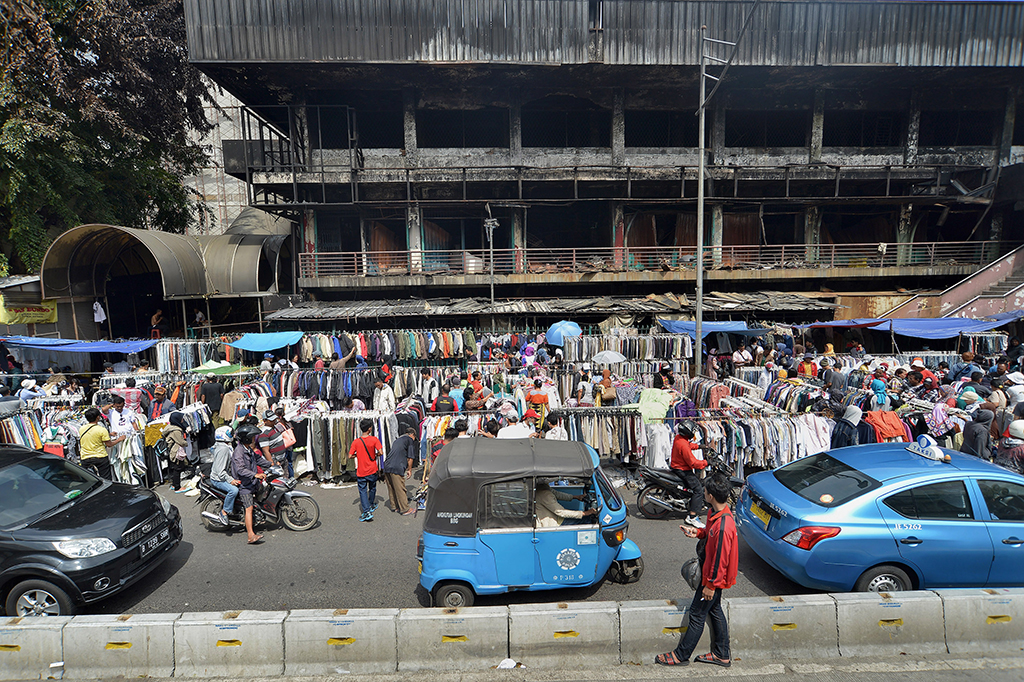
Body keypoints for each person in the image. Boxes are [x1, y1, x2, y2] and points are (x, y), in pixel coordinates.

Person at [656, 473, 737, 668]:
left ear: (710, 496)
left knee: (697, 614)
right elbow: (709, 535)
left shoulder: (723, 526)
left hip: (712, 577)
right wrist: (698, 532)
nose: (703, 493)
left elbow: (720, 560)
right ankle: (722, 654)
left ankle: (681, 655)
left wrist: (710, 585)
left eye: (705, 491)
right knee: (715, 610)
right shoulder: (715, 513)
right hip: (711, 574)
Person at [230, 423, 272, 544]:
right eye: (252, 437)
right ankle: (250, 535)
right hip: (244, 485)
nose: (254, 439)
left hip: (252, 482)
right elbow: (240, 469)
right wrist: (255, 475)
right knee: (249, 508)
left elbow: (257, 459)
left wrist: (271, 464)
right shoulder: (239, 452)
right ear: (247, 438)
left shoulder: (248, 449)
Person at [670, 422, 708, 529]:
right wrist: (706, 463)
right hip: (683, 470)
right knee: (698, 490)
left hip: (676, 466)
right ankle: (692, 517)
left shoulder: (679, 438)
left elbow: (688, 445)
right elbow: (693, 463)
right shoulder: (683, 444)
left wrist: (699, 446)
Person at [349, 418, 382, 522]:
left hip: (361, 471)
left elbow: (350, 456)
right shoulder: (374, 440)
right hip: (372, 469)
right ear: (369, 429)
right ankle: (371, 504)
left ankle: (366, 511)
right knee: (372, 487)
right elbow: (381, 452)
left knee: (362, 491)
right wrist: (375, 454)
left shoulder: (356, 442)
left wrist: (357, 455)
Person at [79, 407, 125, 479]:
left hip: (85, 457)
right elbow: (109, 444)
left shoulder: (81, 429)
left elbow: (92, 435)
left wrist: (109, 434)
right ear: (98, 417)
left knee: (88, 479)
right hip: (100, 457)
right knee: (105, 479)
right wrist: (119, 439)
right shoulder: (102, 430)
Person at [209, 426, 240, 525]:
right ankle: (224, 512)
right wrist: (231, 480)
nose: (232, 436)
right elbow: (220, 471)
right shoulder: (223, 449)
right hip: (218, 479)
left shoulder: (221, 445)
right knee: (234, 490)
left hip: (221, 475)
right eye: (230, 434)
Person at [383, 426, 417, 515]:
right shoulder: (409, 440)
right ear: (412, 434)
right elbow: (410, 457)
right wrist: (409, 470)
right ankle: (405, 509)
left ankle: (394, 506)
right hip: (397, 466)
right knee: (400, 488)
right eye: (414, 438)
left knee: (391, 487)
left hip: (387, 465)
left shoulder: (397, 440)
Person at [162, 412, 191, 491]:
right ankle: (177, 487)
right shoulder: (176, 430)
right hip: (176, 451)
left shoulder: (170, 427)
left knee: (175, 468)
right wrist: (186, 443)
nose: (182, 420)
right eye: (181, 419)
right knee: (178, 468)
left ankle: (174, 484)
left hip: (172, 451)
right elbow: (181, 442)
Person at [257, 410, 290, 476]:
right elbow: (266, 451)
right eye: (271, 420)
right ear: (265, 421)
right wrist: (272, 464)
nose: (274, 421)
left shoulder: (275, 427)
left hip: (282, 459)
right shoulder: (264, 433)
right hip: (275, 461)